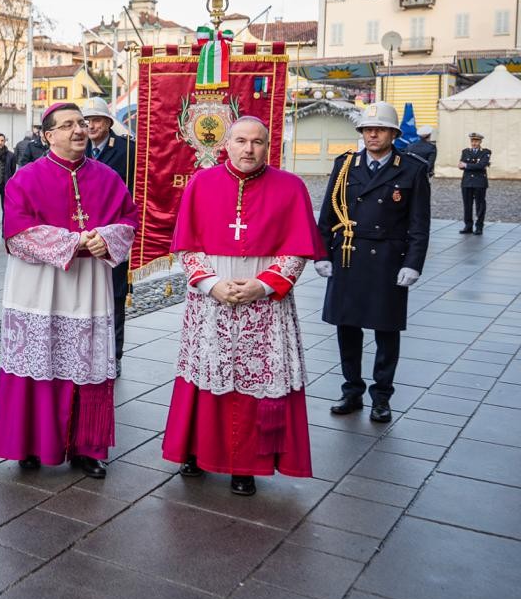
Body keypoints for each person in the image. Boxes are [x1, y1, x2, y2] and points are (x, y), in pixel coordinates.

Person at [161, 117, 323, 496]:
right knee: (205, 376)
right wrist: (213, 284)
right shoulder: (201, 183)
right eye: (241, 141)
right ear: (227, 145)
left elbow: (296, 252)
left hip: (265, 304)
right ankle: (195, 451)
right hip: (211, 301)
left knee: (257, 382)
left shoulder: (291, 187)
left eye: (258, 142)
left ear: (269, 146)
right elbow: (186, 248)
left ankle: (246, 464)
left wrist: (262, 286)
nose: (249, 149)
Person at [0, 102, 137, 479]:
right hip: (38, 288)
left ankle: (87, 449)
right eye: (68, 125)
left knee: (86, 367)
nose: (79, 130)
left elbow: (128, 220)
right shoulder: (25, 178)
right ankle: (30, 445)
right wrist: (77, 243)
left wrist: (107, 237)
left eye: (82, 124)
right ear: (48, 135)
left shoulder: (107, 177)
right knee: (36, 365)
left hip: (88, 288)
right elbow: (18, 234)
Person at [317, 102, 431, 424]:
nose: (372, 134)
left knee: (386, 331)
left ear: (393, 133)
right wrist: (322, 254)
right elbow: (327, 215)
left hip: (387, 262)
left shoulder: (412, 169)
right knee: (347, 328)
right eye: (368, 129)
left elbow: (419, 224)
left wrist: (413, 263)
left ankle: (382, 397)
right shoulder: (345, 165)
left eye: (379, 129)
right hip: (349, 256)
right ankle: (351, 390)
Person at [83, 97, 135, 376]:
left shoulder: (127, 150)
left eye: (96, 120)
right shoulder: (80, 150)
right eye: (86, 120)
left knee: (115, 298)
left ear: (107, 123)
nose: (90, 125)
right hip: (84, 236)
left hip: (113, 236)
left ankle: (114, 355)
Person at [459, 132, 490, 235]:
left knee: (480, 205)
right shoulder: (465, 151)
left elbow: (481, 165)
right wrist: (471, 165)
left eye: (476, 141)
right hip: (467, 182)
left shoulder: (486, 152)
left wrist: (467, 165)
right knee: (467, 205)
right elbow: (460, 165)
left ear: (480, 141)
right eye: (472, 141)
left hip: (479, 182)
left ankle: (479, 227)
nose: (474, 143)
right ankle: (468, 226)